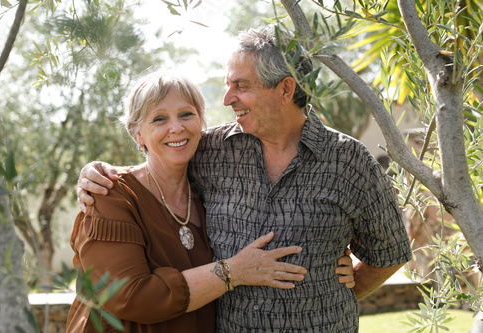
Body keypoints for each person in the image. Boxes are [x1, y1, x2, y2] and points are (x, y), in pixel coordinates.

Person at [77, 26, 412, 332]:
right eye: (227, 85)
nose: (227, 98)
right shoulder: (212, 150)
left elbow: (391, 251)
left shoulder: (348, 160)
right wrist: (97, 172)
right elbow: (159, 160)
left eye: (241, 86)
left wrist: (349, 283)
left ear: (285, 89)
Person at [67, 70, 355, 333]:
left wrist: (331, 264)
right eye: (159, 119)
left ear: (201, 123)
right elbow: (133, 298)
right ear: (136, 134)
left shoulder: (211, 191)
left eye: (186, 114)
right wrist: (232, 272)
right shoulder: (109, 197)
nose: (176, 128)